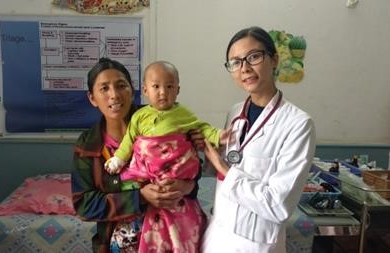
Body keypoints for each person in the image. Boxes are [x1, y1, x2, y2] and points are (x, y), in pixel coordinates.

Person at [201, 26, 316, 253]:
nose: (244, 68)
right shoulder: (235, 113)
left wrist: (223, 167)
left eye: (253, 57)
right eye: (235, 62)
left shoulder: (298, 124)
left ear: (274, 59)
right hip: (217, 236)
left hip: (256, 244)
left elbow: (279, 205)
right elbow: (220, 171)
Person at [71, 58, 199, 253]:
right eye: (104, 89)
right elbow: (84, 205)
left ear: (133, 90)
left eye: (121, 86)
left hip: (175, 236)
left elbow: (192, 175)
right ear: (92, 98)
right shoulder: (88, 146)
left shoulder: (167, 123)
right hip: (119, 244)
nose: (114, 95)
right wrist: (139, 198)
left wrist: (186, 186)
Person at [104, 61, 227, 253]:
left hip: (176, 177)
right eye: (156, 86)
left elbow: (201, 128)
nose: (163, 92)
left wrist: (218, 136)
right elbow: (129, 140)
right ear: (145, 90)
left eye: (169, 86)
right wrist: (118, 160)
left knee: (187, 222)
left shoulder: (183, 114)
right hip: (143, 183)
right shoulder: (140, 116)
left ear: (178, 90)